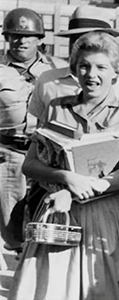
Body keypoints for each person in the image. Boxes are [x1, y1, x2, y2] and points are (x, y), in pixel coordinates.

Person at [9, 32, 119, 300]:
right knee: (54, 287)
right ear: (74, 69)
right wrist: (65, 177)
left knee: (112, 284)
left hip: (113, 213)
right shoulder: (56, 108)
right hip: (59, 213)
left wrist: (72, 192)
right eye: (84, 66)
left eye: (101, 67)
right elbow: (31, 164)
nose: (91, 74)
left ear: (115, 73)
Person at [28, 5, 119, 137]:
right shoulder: (47, 81)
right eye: (75, 39)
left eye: (89, 39)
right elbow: (40, 134)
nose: (82, 45)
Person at [0, 8, 69, 251]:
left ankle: (33, 264)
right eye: (15, 35)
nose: (21, 41)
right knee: (10, 225)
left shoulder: (58, 70)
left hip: (48, 154)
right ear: (6, 37)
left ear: (40, 39)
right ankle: (18, 250)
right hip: (10, 152)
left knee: (48, 215)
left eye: (28, 36)